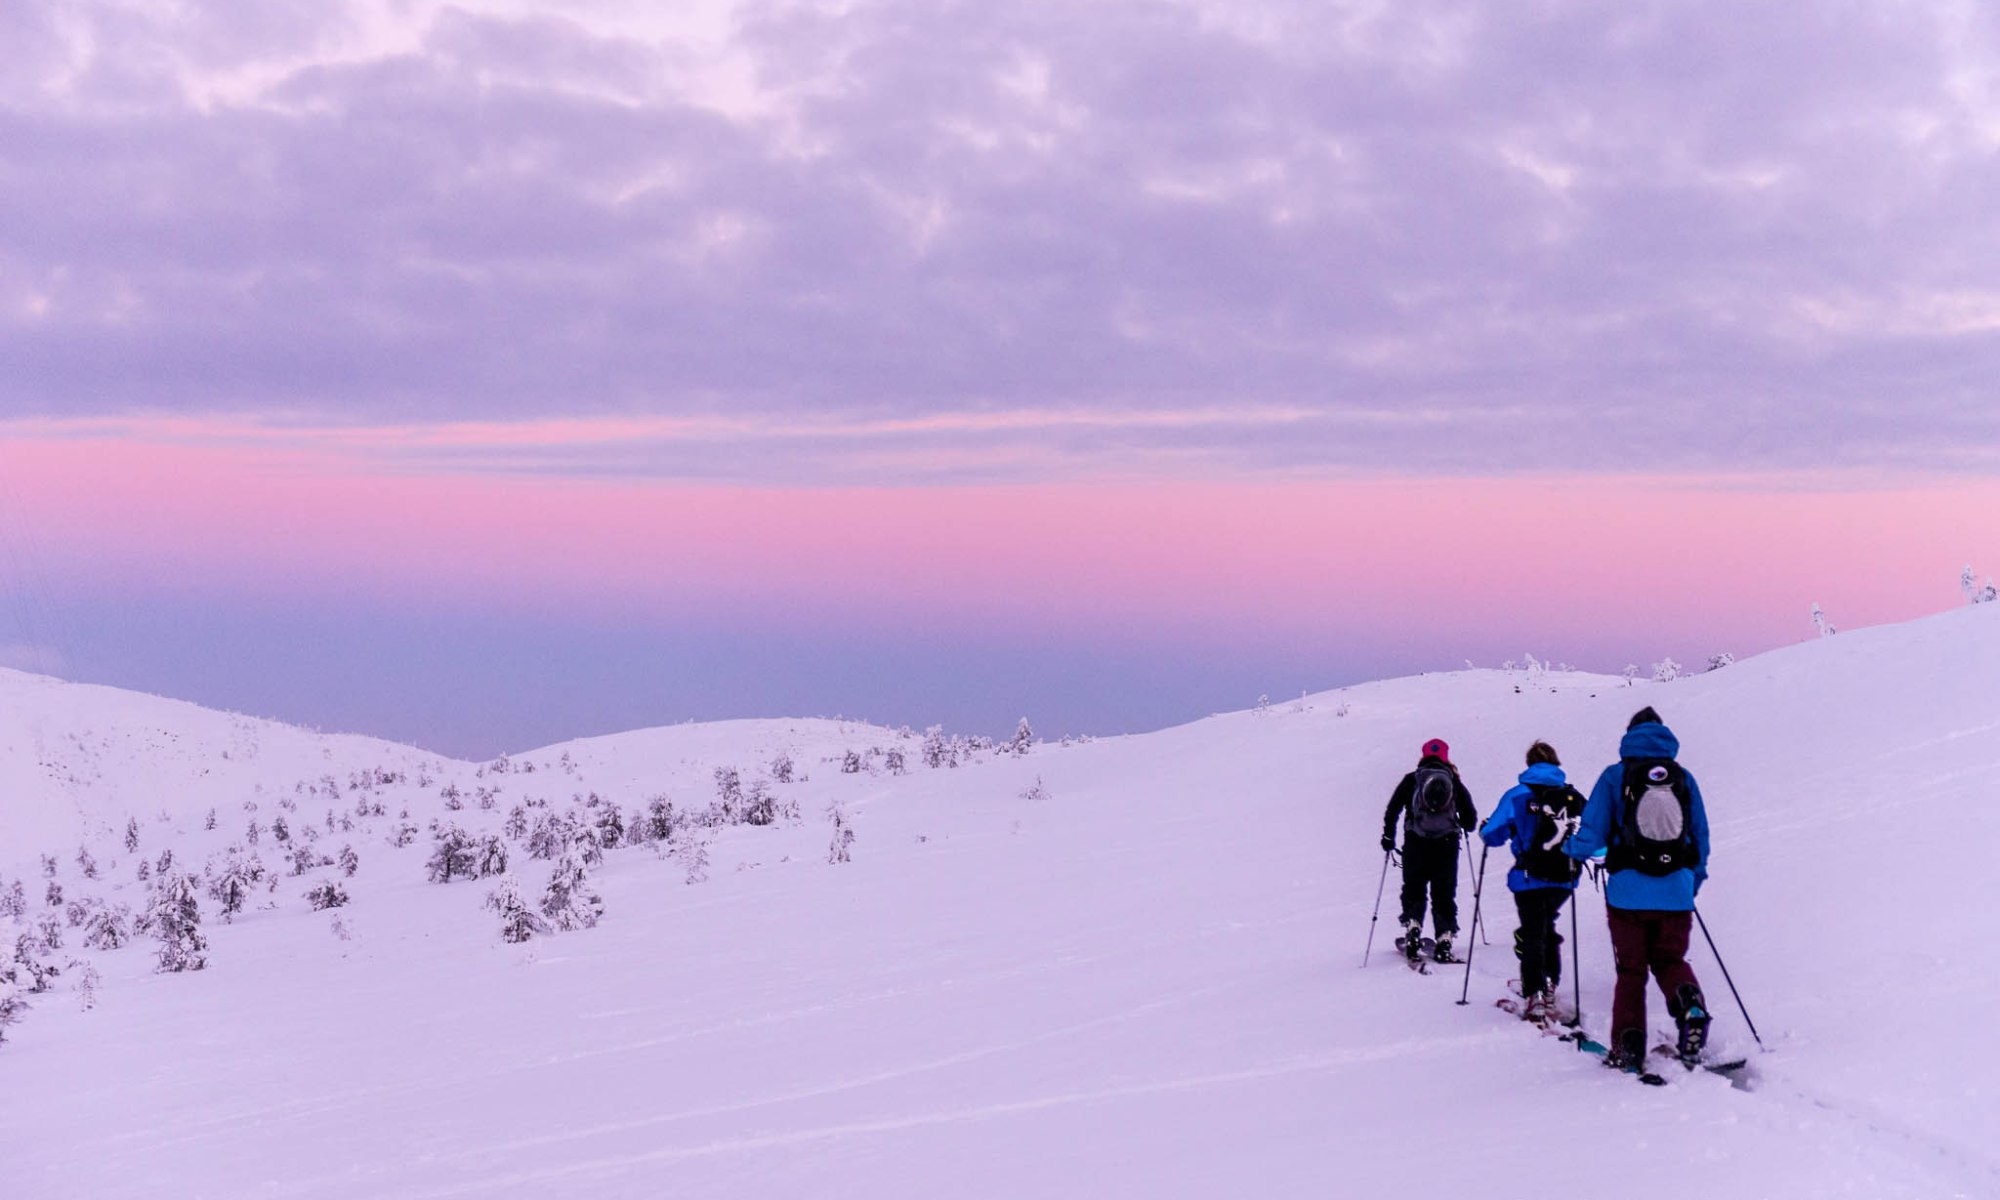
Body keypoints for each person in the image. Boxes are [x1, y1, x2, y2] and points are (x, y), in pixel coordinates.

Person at [1566, 707, 1712, 1071]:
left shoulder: (1615, 776)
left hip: (1627, 893)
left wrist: (1571, 850)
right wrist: (1694, 879)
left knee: (1632, 971)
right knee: (1670, 961)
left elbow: (1593, 832)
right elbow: (1700, 835)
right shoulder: (1684, 778)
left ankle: (1629, 1047)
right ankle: (1690, 1006)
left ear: (1629, 736)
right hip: (1676, 890)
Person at [1478, 741, 1586, 1023]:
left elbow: (1492, 835)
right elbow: (1589, 833)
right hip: (1564, 878)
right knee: (1547, 928)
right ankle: (1550, 985)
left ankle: (1535, 993)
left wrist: (1488, 828)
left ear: (1529, 764)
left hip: (1528, 878)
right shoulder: (1572, 796)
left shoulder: (1517, 795)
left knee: (1533, 933)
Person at [1381, 737, 1478, 963]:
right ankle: (1444, 938)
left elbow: (1392, 809)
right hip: (1446, 845)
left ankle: (1413, 927)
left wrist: (1388, 836)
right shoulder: (1453, 781)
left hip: (1416, 843)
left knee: (1414, 888)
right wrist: (1461, 824)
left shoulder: (1412, 780)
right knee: (1444, 892)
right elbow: (1471, 819)